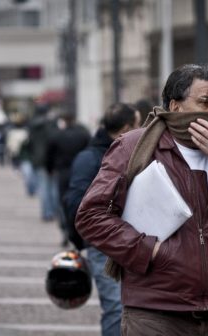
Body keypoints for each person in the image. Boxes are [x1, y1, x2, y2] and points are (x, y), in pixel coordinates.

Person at [75, 64, 208, 336]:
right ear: (175, 106)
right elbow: (91, 216)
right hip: (154, 314)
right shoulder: (134, 146)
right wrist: (149, 251)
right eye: (206, 102)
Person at [64, 103, 140, 336]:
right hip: (103, 244)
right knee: (116, 308)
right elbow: (74, 203)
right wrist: (81, 241)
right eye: (138, 125)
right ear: (126, 128)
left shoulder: (133, 152)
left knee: (135, 309)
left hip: (134, 241)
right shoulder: (90, 158)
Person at [46, 111, 90, 246]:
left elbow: (49, 155)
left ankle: (65, 229)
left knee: (63, 203)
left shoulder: (57, 135)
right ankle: (78, 230)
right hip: (80, 172)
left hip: (63, 172)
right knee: (80, 202)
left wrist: (50, 169)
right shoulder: (84, 135)